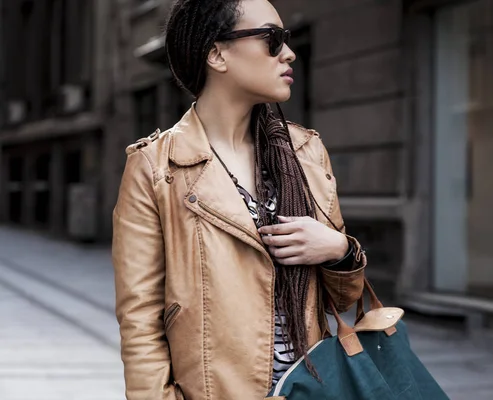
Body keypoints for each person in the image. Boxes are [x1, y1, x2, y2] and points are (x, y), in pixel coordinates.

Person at [112, 0, 367, 399]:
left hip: (310, 387)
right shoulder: (156, 168)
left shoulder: (305, 154)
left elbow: (344, 298)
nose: (289, 52)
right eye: (272, 39)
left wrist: (338, 250)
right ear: (217, 54)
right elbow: (140, 320)